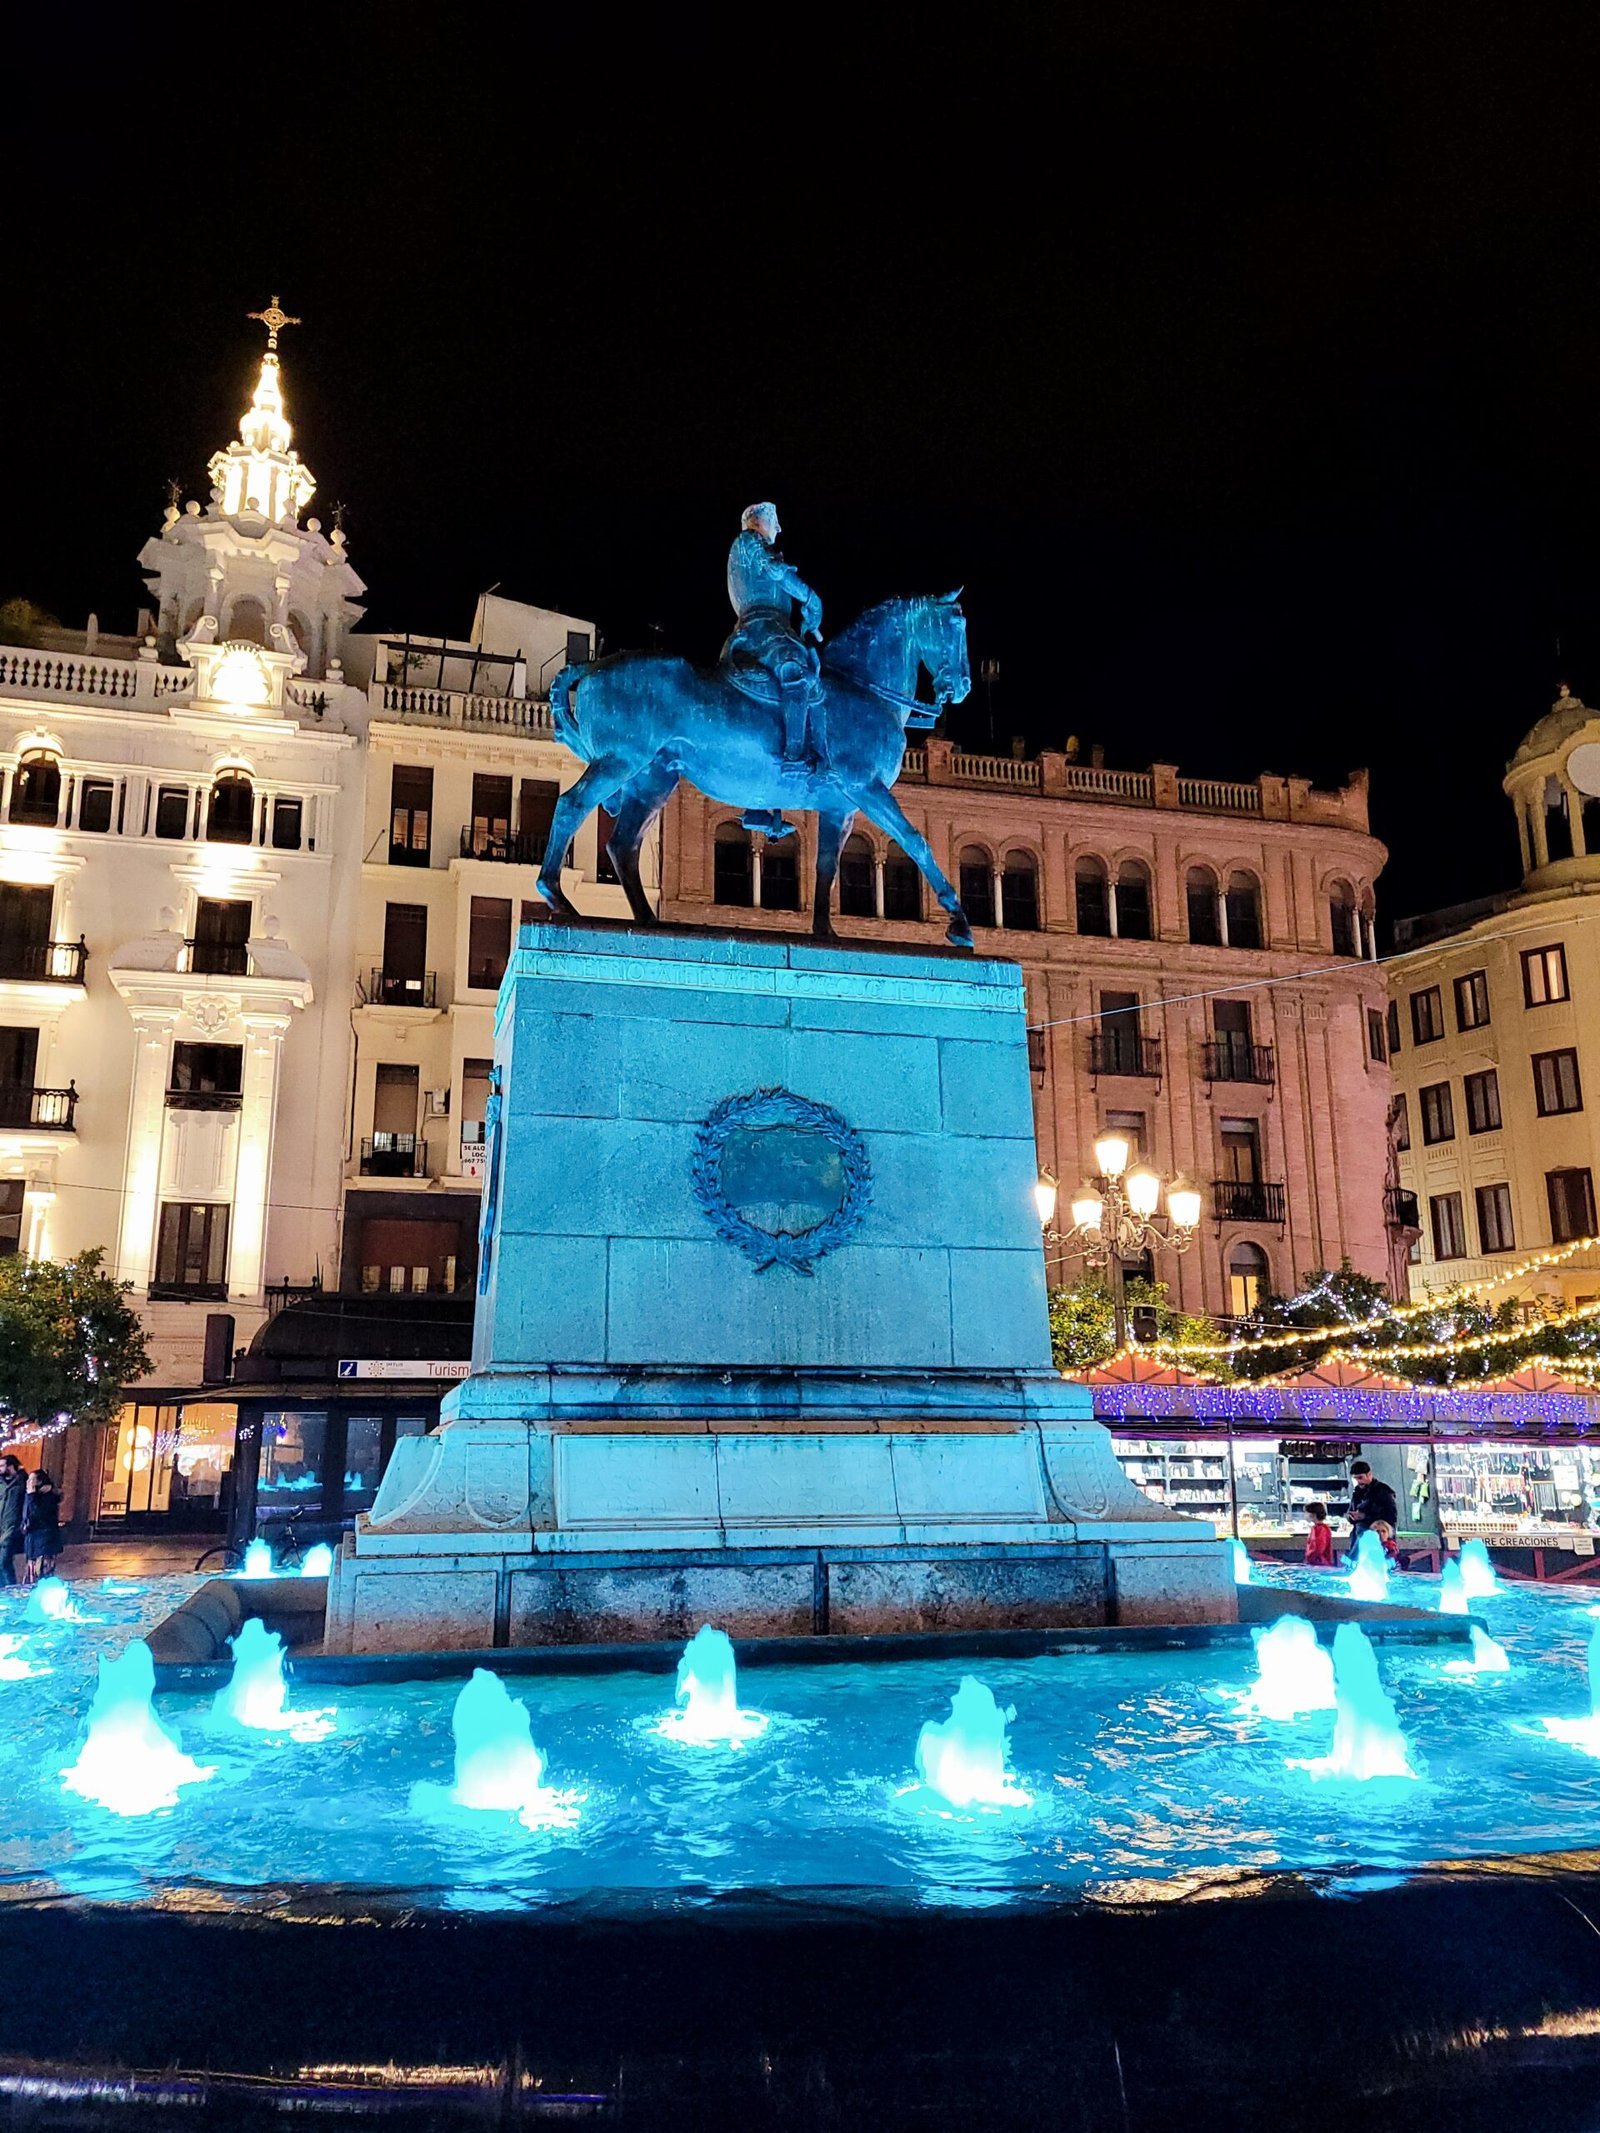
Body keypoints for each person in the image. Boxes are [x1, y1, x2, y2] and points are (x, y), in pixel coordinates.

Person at [723, 501, 824, 778]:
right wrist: (812, 600)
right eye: (773, 520)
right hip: (762, 626)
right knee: (793, 667)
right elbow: (777, 573)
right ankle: (794, 755)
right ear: (756, 520)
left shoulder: (757, 547)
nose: (779, 527)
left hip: (773, 627)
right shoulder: (749, 540)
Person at [1347, 1459, 1398, 1552]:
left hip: (1380, 1541)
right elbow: (1350, 1512)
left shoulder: (1384, 1491)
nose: (1358, 1481)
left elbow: (1391, 1516)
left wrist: (1365, 1516)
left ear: (1369, 1475)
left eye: (1360, 1477)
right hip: (1360, 1537)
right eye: (1355, 1478)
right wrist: (1351, 1517)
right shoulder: (1357, 1492)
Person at [21, 1469, 61, 1584]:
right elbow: (26, 1515)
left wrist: (31, 1495)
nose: (28, 1482)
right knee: (31, 1576)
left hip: (44, 1541)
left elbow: (37, 1514)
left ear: (39, 1482)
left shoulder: (48, 1497)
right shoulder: (32, 1495)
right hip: (32, 1541)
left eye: (31, 1480)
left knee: (42, 1575)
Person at [0, 1453, 23, 1586]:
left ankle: (10, 1587)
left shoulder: (22, 1482)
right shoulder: (1, 1484)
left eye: (2, 1466)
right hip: (1, 1526)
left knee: (4, 1562)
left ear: (10, 1466)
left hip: (12, 1528)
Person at [1303, 1501, 1336, 1568]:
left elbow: (1318, 1549)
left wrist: (1310, 1558)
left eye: (1306, 1512)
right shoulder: (1318, 1528)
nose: (1305, 1515)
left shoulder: (1320, 1529)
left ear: (1313, 1514)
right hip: (1317, 1564)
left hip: (1320, 1565)